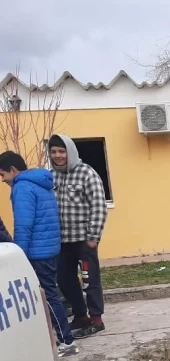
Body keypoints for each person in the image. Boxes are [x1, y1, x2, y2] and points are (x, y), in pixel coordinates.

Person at [0, 151, 78, 356]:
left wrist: (19, 256)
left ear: (13, 170)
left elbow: (24, 225)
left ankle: (67, 341)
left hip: (36, 252)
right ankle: (58, 338)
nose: (3, 180)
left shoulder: (22, 187)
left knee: (48, 297)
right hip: (49, 249)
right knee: (49, 294)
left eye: (3, 175)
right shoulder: (41, 184)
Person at [48, 134, 109, 338]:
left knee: (89, 280)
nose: (58, 155)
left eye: (62, 151)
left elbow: (99, 206)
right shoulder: (51, 176)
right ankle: (81, 316)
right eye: (54, 151)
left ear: (70, 152)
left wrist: (93, 236)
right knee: (64, 280)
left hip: (84, 239)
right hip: (61, 241)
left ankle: (96, 319)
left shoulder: (87, 174)